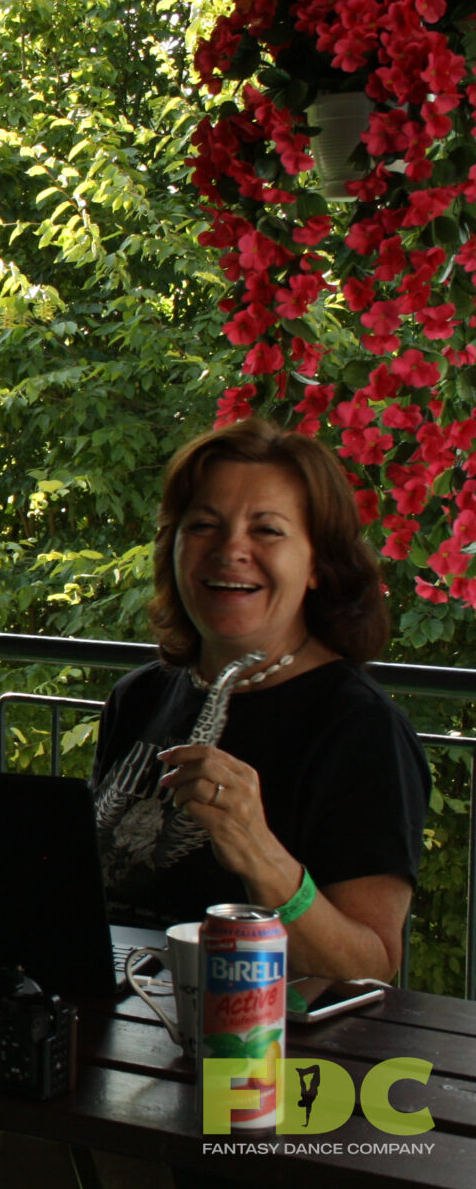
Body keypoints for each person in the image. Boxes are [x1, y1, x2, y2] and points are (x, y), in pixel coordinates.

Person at [90, 418, 428, 981]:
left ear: (318, 564)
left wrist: (256, 850)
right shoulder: (139, 696)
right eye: (204, 525)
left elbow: (372, 967)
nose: (230, 550)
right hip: (117, 1020)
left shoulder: (362, 729)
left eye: (267, 530)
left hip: (263, 1036)